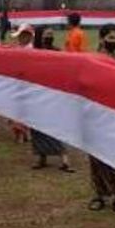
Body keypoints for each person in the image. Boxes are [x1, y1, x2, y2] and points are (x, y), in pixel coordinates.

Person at [87, 25, 115, 213]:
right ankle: (100, 195)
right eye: (111, 37)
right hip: (95, 116)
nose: (114, 41)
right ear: (102, 38)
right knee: (96, 159)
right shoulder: (91, 61)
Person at [29, 27, 75, 173]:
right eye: (47, 34)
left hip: (54, 96)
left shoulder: (58, 53)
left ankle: (65, 159)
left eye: (51, 35)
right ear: (39, 36)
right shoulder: (33, 54)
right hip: (37, 95)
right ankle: (41, 158)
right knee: (37, 128)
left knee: (56, 128)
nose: (50, 37)